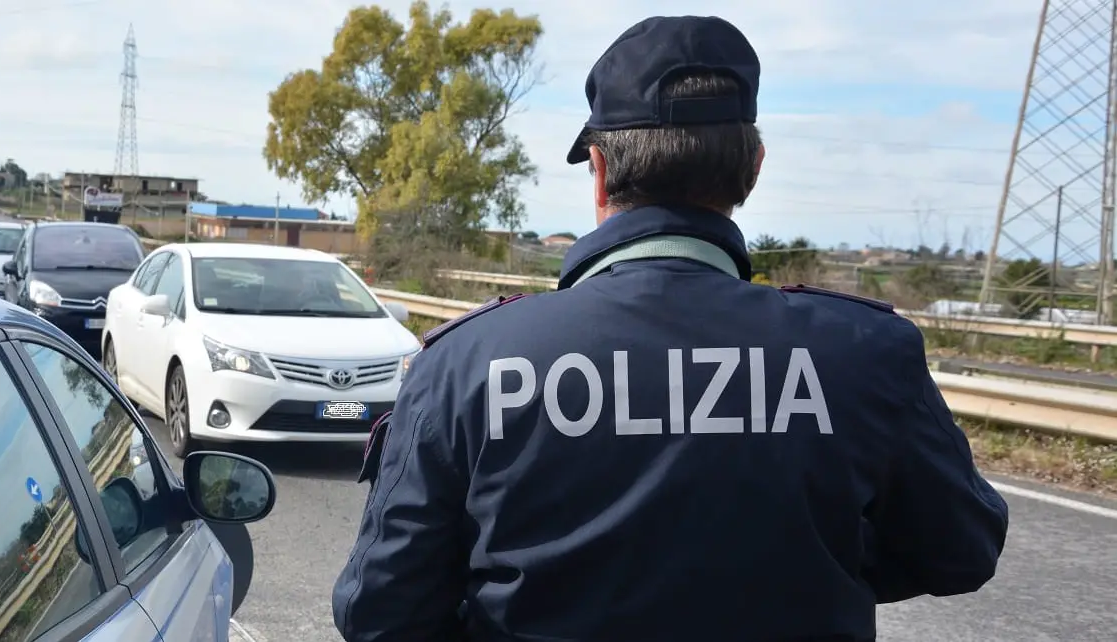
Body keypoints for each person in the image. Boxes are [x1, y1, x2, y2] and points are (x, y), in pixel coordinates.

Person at [333, 15, 1010, 642]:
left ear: (599, 172)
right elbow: (960, 551)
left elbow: (380, 610)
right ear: (753, 167)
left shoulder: (467, 363)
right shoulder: (863, 353)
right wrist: (802, 559)